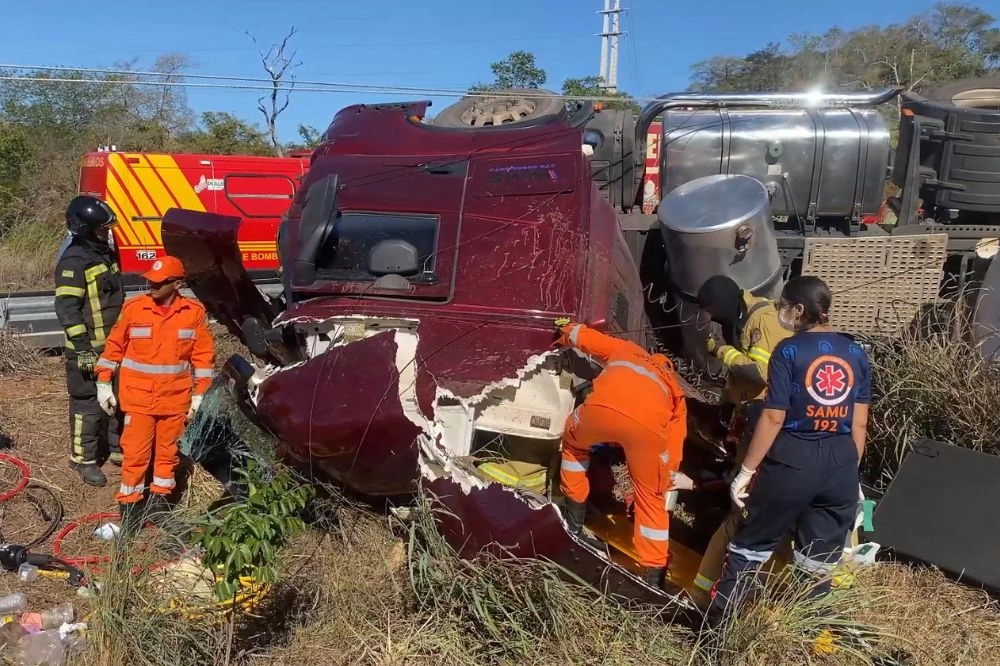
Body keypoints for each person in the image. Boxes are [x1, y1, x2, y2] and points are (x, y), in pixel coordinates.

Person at [708, 276, 871, 620]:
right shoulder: (856, 353)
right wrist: (848, 474)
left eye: (784, 305)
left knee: (748, 549)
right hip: (840, 461)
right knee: (817, 565)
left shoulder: (790, 350)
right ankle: (808, 637)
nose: (781, 312)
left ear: (799, 310)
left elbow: (773, 418)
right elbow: (859, 424)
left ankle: (719, 635)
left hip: (794, 459)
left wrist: (747, 471)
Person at [553, 319, 688, 588]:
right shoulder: (674, 388)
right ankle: (653, 576)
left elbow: (588, 340)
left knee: (573, 446)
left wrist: (566, 331)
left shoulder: (628, 349)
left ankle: (573, 523)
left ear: (652, 356)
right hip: (646, 434)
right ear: (668, 368)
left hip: (601, 413)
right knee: (650, 497)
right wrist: (665, 474)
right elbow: (676, 437)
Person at [691, 275, 793, 605]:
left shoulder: (760, 319)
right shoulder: (746, 317)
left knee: (743, 507)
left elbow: (759, 374)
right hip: (754, 418)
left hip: (766, 422)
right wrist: (727, 404)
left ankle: (715, 593)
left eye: (713, 311)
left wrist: (722, 351)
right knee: (740, 502)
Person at [94, 256, 215, 530]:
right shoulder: (135, 308)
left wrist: (200, 395)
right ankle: (130, 511)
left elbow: (203, 358)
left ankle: (160, 507)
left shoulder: (193, 312)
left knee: (167, 456)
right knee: (135, 455)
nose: (151, 285)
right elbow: (113, 347)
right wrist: (103, 383)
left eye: (159, 282)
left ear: (177, 284)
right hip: (139, 400)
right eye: (150, 280)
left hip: (175, 401)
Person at [54, 196, 125, 487]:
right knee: (88, 406)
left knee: (117, 398)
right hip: (87, 350)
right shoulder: (74, 261)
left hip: (113, 347)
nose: (106, 234)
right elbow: (67, 310)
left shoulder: (104, 255)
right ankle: (83, 459)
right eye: (101, 229)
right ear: (86, 229)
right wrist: (83, 350)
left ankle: (117, 448)